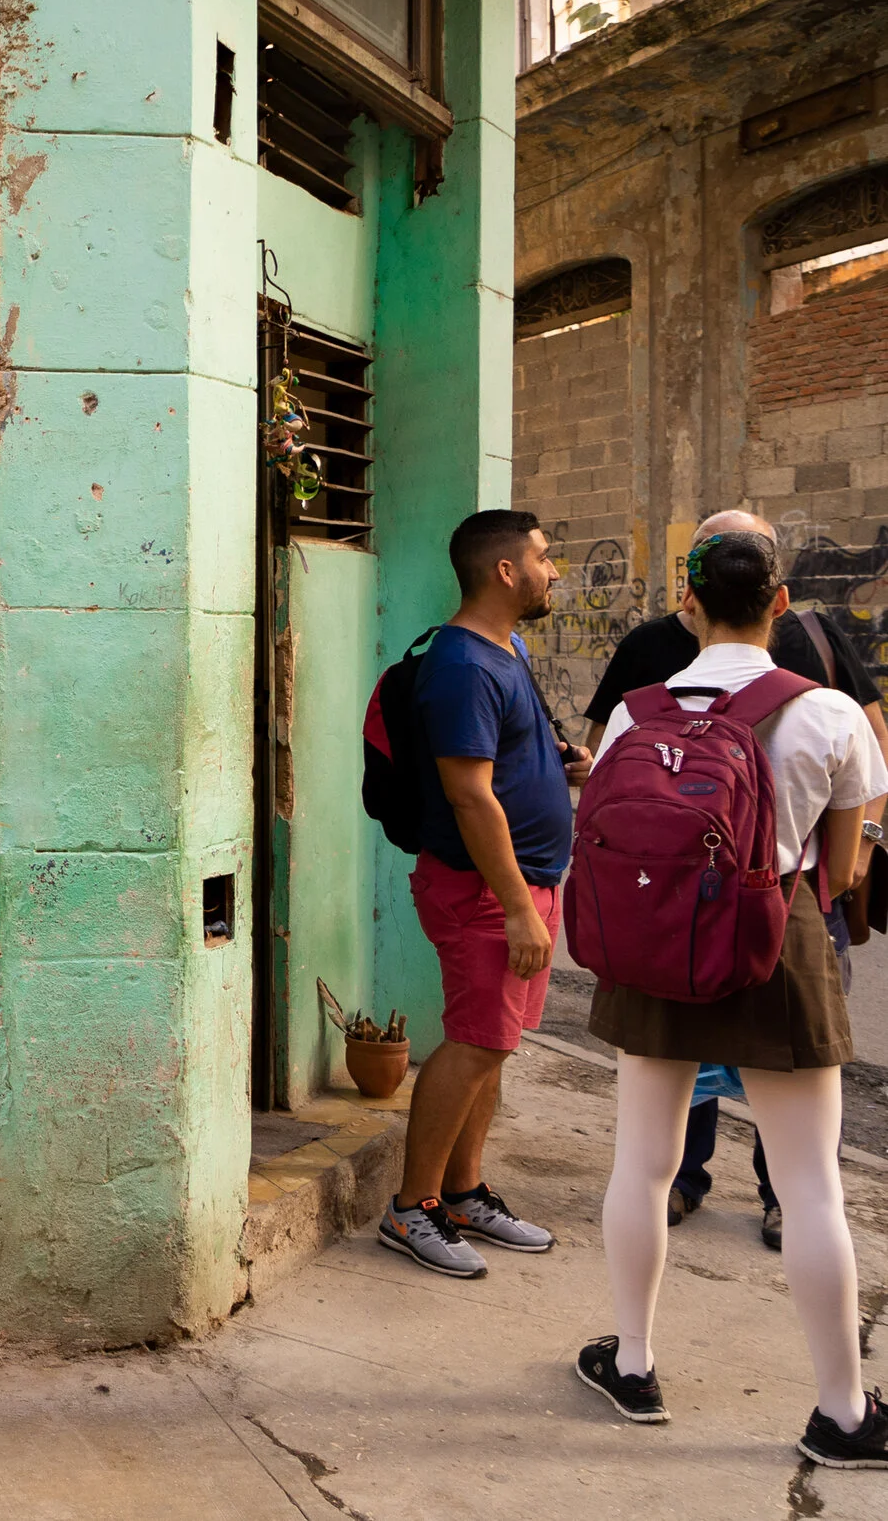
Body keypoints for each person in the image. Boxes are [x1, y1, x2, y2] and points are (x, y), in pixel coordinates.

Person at [575, 531, 888, 1467]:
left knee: (644, 1164)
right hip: (774, 947)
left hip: (656, 943)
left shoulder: (634, 714)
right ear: (780, 601)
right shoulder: (827, 712)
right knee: (810, 1183)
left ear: (688, 603)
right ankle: (842, 1414)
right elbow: (841, 871)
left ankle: (634, 1366)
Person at [379, 510, 592, 1279]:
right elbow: (469, 795)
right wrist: (515, 906)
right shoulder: (463, 665)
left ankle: (464, 1192)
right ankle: (412, 1208)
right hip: (485, 892)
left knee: (494, 1044)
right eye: (544, 557)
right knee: (473, 1041)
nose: (554, 570)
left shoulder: (508, 649)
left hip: (523, 884)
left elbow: (505, 757)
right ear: (506, 571)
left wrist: (560, 760)